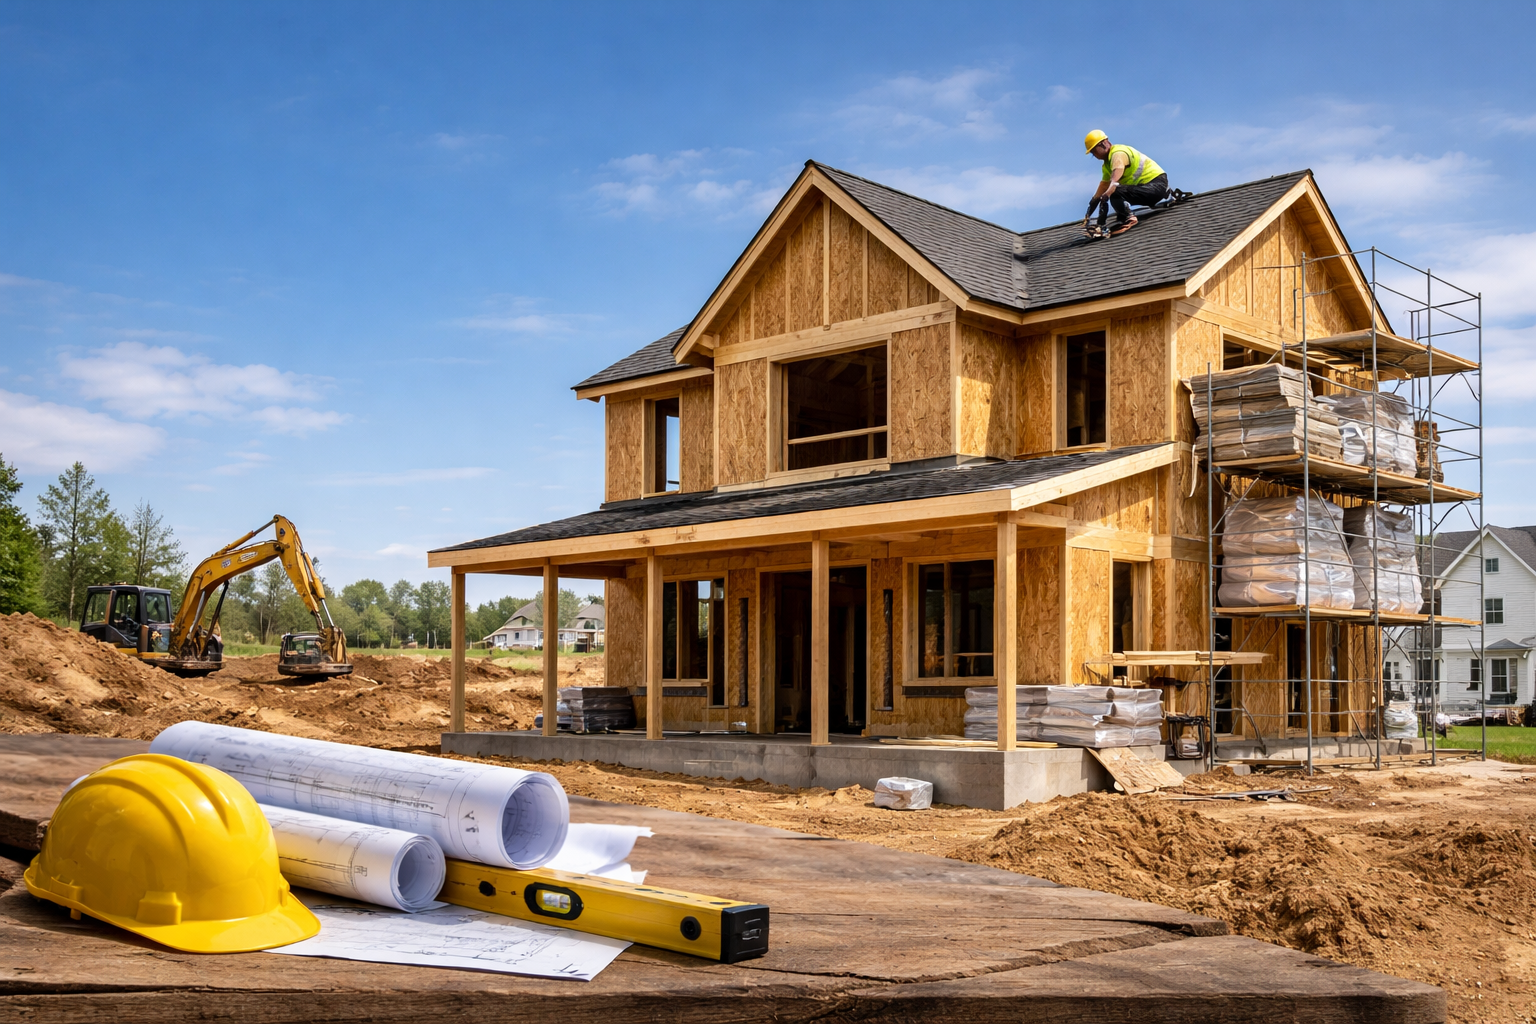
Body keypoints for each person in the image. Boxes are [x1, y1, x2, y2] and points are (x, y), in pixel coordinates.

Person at [1082, 130, 1169, 235]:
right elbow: (1100, 191)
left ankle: (1129, 218)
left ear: (1103, 144)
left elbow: (1115, 179)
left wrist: (1107, 194)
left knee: (1114, 192)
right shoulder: (1106, 166)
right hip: (1149, 190)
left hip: (1156, 185)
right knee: (1113, 194)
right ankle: (1123, 217)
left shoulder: (1118, 153)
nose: (1094, 155)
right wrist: (1089, 213)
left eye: (1094, 151)